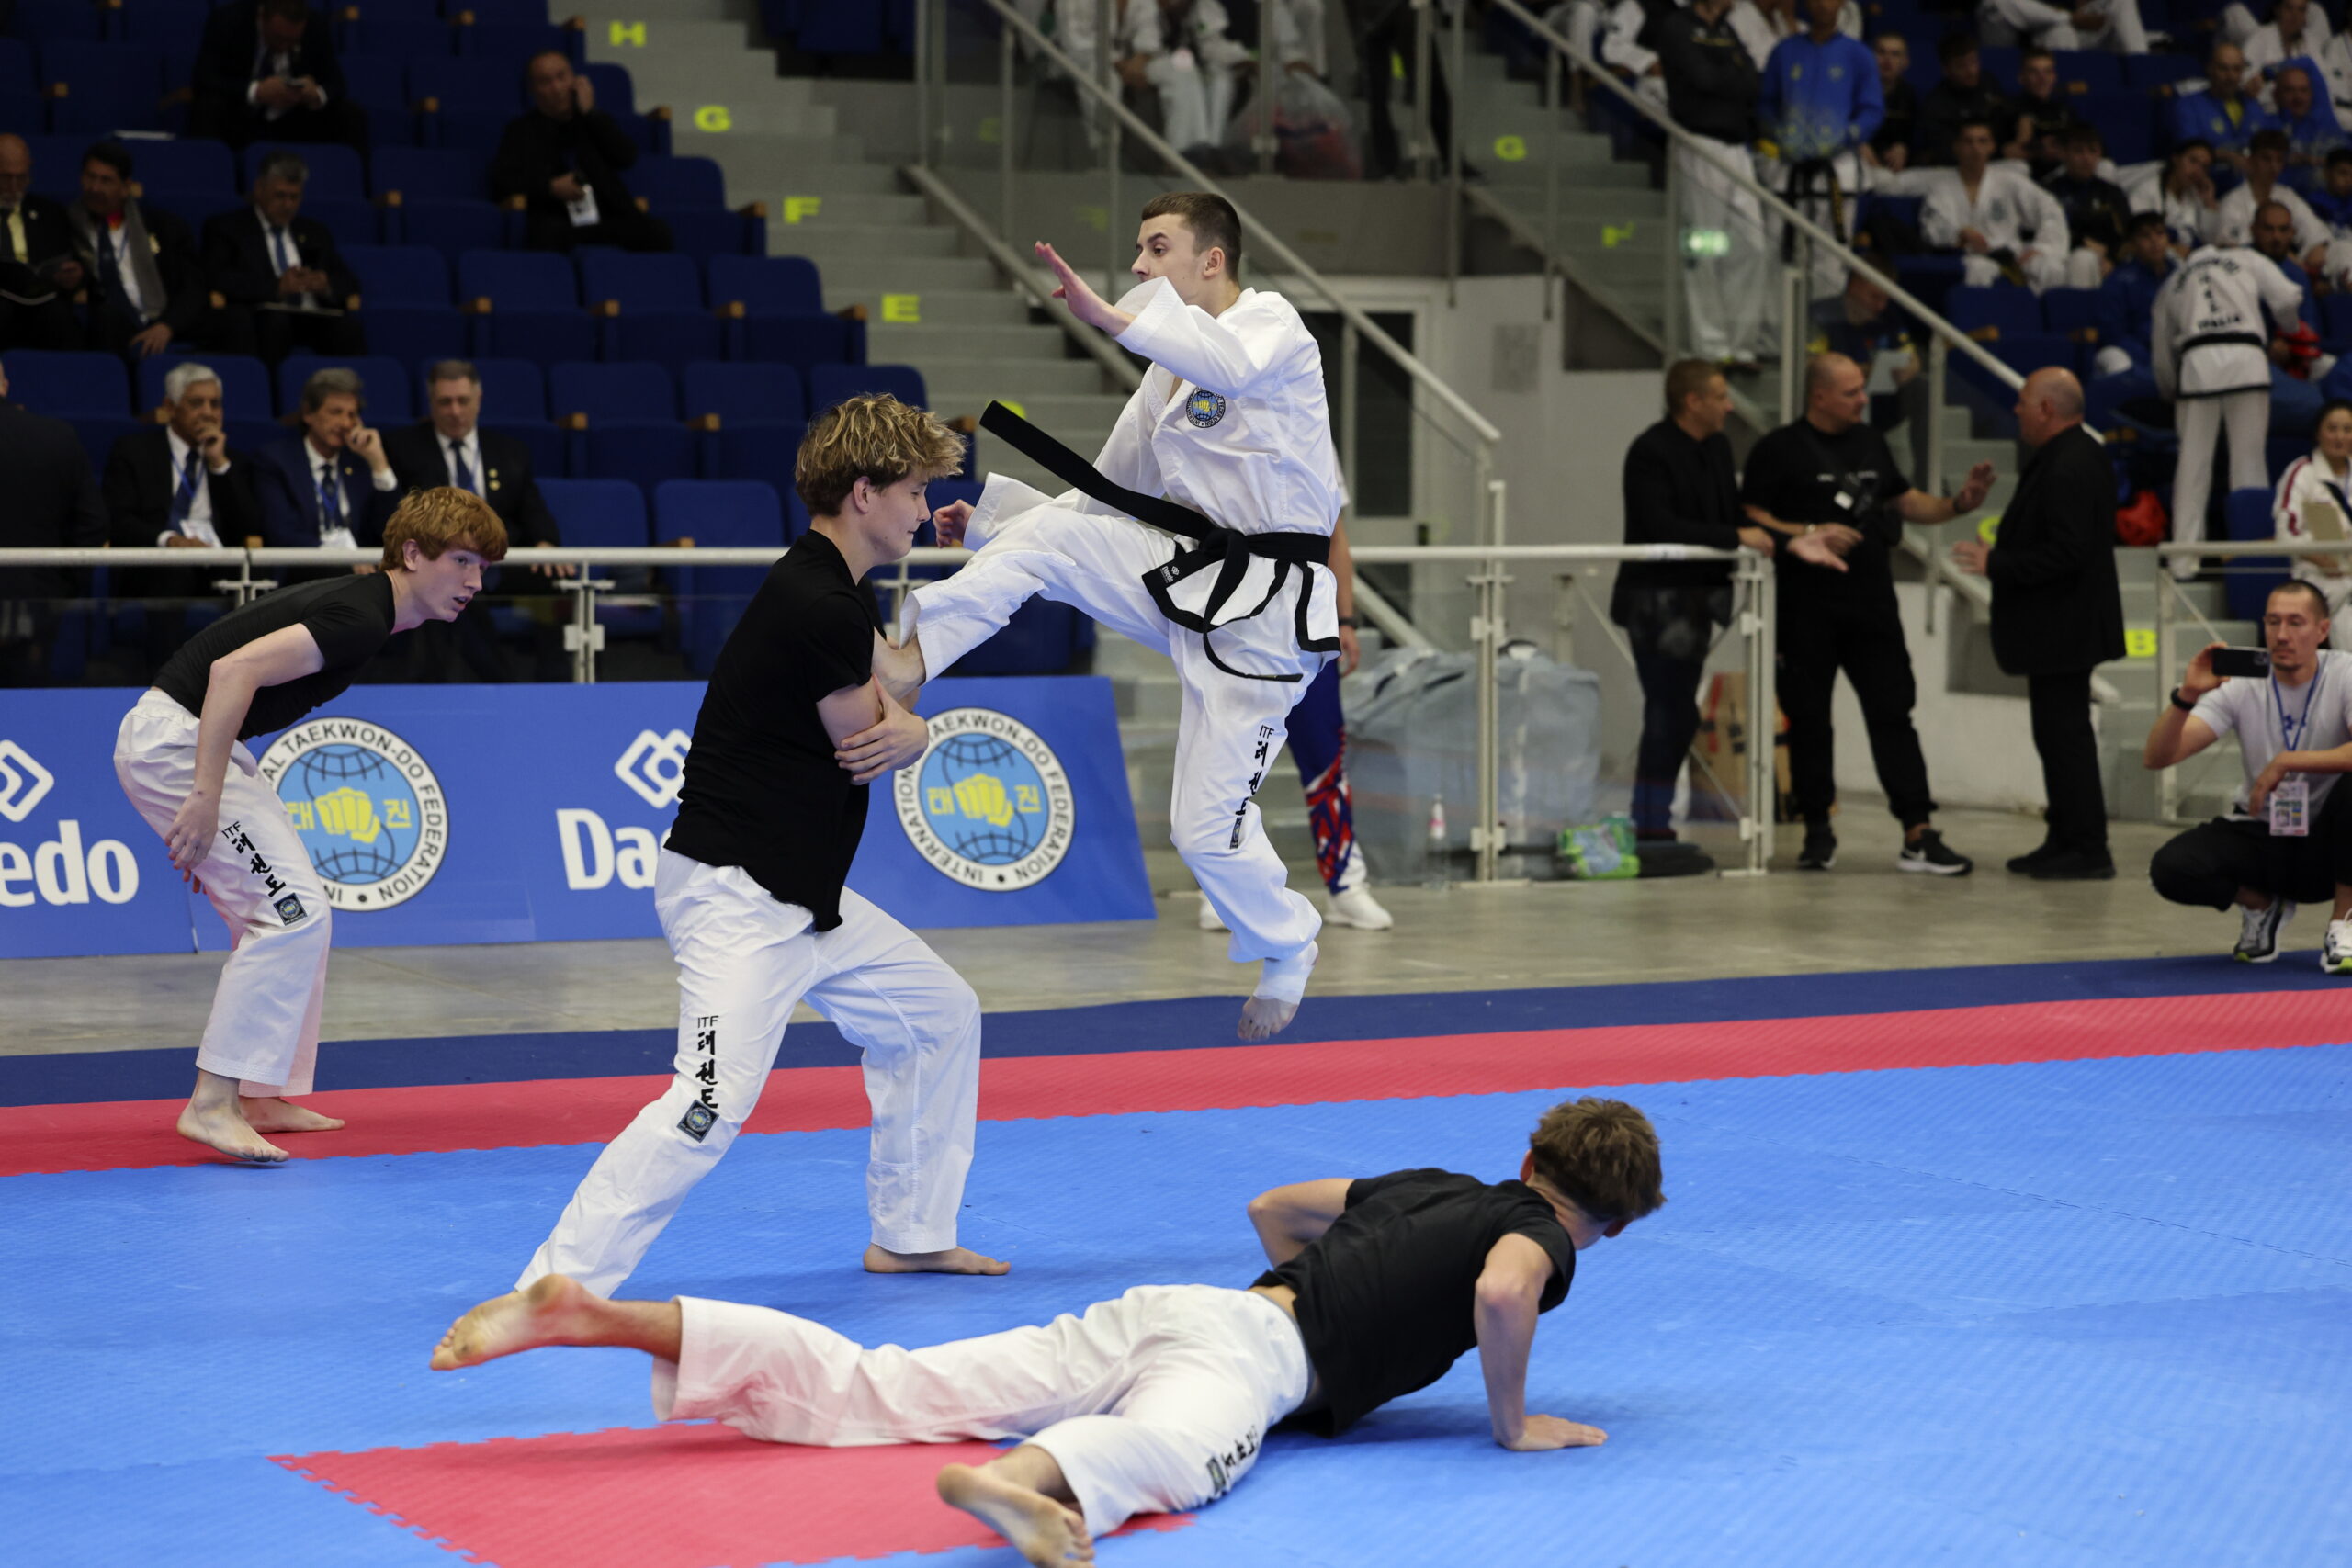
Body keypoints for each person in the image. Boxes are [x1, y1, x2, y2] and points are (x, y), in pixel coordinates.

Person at [434, 1096, 1667, 1568]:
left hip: (1190, 1307)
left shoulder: (1436, 1182)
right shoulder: (1545, 1237)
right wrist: (1512, 1422)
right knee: (1182, 1456)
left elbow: (1274, 1206)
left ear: (1529, 1156)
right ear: (1603, 1218)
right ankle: (1026, 1485)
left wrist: (1344, 1283)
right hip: (1254, 1357)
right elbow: (1504, 1292)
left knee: (884, 1380)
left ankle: (596, 1312)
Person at [514, 395, 1001, 1297]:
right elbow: (867, 741)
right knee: (705, 1104)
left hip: (800, 890)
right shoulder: (815, 600)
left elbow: (892, 690)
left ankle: (912, 1234)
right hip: (736, 894)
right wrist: (915, 729)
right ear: (864, 493)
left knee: (938, 1014)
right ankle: (556, 1286)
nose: (922, 508)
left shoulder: (832, 586)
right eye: (913, 490)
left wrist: (966, 623)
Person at [874, 194, 1339, 1043]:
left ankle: (1288, 942)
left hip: (1269, 613)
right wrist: (996, 527)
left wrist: (1115, 319)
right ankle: (913, 656)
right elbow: (1105, 497)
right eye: (1137, 251)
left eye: (1157, 248)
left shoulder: (1273, 328)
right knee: (1053, 539)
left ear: (1212, 260)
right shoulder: (1165, 377)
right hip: (1195, 584)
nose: (1138, 265)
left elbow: (1230, 367)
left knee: (1203, 836)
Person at [113, 489, 504, 1162]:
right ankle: (212, 1103)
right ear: (414, 554)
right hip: (175, 743)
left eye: (484, 567)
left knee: (298, 911)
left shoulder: (371, 610)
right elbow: (231, 672)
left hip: (196, 741)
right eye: (463, 561)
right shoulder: (361, 614)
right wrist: (204, 797)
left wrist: (223, 841)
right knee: (291, 913)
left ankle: (262, 1093)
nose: (475, 582)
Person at [1741, 352, 1996, 874]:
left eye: (1862, 389)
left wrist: (1957, 504)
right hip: (1805, 608)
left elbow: (1905, 501)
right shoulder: (1779, 449)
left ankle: (1918, 831)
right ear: (1819, 396)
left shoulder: (1871, 442)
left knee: (1893, 713)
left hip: (1872, 606)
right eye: (1851, 392)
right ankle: (1816, 830)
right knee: (1809, 718)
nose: (1863, 400)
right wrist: (1807, 533)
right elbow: (1751, 515)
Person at [1617, 360, 1846, 840]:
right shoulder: (1650, 451)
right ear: (1692, 402)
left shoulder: (1717, 448)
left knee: (1677, 710)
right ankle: (1650, 823)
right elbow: (1661, 525)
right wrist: (1738, 536)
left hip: (1698, 598)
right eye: (1720, 397)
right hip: (1657, 601)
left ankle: (1653, 821)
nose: (1729, 406)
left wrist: (1792, 539)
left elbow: (1734, 518)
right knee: (1669, 710)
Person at [1950, 368, 2123, 879]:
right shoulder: (2068, 454)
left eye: (2024, 402)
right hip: (2060, 627)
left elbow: (2068, 551)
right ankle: (2064, 836)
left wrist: (1997, 563)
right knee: (2054, 735)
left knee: (2065, 738)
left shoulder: (2070, 462)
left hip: (2065, 627)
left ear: (2047, 409)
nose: (2017, 410)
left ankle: (2087, 847)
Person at [1198, 516, 1396, 931]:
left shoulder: (1321, 469)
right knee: (1228, 758)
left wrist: (1345, 619)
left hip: (1309, 625)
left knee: (1325, 755)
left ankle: (1345, 885)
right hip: (1238, 624)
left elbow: (1335, 537)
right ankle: (1221, 889)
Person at [2143, 581, 2352, 969]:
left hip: (2333, 842)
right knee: (2171, 868)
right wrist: (2186, 697)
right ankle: (2262, 906)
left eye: (2295, 622)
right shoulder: (2242, 684)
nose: (2282, 635)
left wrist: (2287, 761)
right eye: (2273, 622)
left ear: (2322, 630)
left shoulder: (2344, 673)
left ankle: (2345, 924)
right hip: (2266, 833)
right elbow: (2157, 757)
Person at [383, 359, 570, 681]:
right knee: (457, 585)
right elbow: (394, 513)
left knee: (552, 583)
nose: (455, 411)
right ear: (431, 403)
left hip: (500, 560)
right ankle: (498, 683)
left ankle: (556, 686)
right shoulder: (403, 448)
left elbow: (532, 507)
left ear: (478, 400)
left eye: (463, 401)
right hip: (440, 564)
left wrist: (545, 542)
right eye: (445, 402)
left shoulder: (510, 451)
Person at [2154, 239, 2303, 579]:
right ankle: (2250, 558)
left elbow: (2161, 353)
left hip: (2197, 368)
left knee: (2192, 465)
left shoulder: (2173, 281)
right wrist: (2290, 326)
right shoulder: (2245, 258)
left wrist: (2169, 390)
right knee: (2249, 462)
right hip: (2248, 363)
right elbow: (2287, 297)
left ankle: (2183, 562)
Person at [102, 361, 261, 673]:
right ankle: (168, 679)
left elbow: (251, 527)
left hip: (215, 566)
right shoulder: (134, 451)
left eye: (215, 404)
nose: (208, 413)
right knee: (172, 572)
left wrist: (218, 464)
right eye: (196, 403)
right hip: (156, 567)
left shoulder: (234, 461)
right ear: (170, 407)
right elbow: (117, 519)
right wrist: (170, 540)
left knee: (255, 578)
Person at [1660, 0, 1767, 366]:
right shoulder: (1678, 25)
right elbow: (1701, 78)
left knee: (1753, 245)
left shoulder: (1725, 28)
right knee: (1704, 246)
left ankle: (1742, 343)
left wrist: (1727, 77)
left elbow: (1753, 81)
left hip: (1738, 147)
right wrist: (1731, 74)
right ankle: (1709, 344)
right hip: (1700, 143)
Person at [1757, 0, 1883, 296]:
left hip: (1836, 167)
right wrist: (1778, 132)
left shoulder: (1858, 55)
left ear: (1841, 4)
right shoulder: (1784, 52)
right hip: (1789, 166)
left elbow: (1872, 110)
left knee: (1830, 256)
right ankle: (1775, 323)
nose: (1823, 4)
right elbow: (1766, 103)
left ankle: (1823, 321)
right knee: (1779, 248)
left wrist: (1847, 134)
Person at [492, 51, 672, 254]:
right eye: (546, 82)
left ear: (575, 80)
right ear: (533, 90)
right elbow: (503, 181)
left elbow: (626, 157)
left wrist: (590, 113)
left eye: (562, 77)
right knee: (545, 233)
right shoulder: (520, 130)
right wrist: (550, 187)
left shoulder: (595, 121)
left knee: (656, 232)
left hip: (606, 217)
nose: (557, 88)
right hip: (557, 218)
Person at [0, 355, 107, 685]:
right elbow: (93, 525)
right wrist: (60, 586)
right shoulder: (56, 436)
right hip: (36, 603)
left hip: (36, 597)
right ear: (4, 385)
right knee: (25, 704)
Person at [202, 150, 366, 366]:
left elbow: (349, 281)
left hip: (311, 315)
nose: (288, 205)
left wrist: (324, 283)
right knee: (275, 322)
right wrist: (277, 287)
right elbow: (218, 278)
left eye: (294, 197)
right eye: (280, 196)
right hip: (261, 316)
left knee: (348, 327)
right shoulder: (228, 228)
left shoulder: (315, 232)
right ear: (259, 189)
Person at [66, 141, 207, 362]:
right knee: (104, 316)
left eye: (106, 180)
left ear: (126, 186)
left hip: (160, 317)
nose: (95, 188)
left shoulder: (165, 227)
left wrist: (167, 325)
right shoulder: (67, 225)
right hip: (108, 324)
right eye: (90, 177)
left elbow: (193, 288)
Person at [252, 367, 400, 557]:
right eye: (336, 412)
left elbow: (393, 532)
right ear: (308, 413)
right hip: (304, 567)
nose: (345, 423)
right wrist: (340, 559)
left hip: (361, 570)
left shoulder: (360, 463)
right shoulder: (276, 461)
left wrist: (379, 463)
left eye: (351, 414)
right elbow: (281, 533)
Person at [1921, 118, 2077, 292]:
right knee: (1978, 268)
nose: (1975, 147)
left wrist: (2043, 248)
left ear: (1992, 146)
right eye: (1968, 141)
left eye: (1982, 141)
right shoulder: (1942, 189)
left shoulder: (2010, 181)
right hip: (1969, 258)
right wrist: (1959, 233)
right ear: (1956, 147)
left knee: (2050, 268)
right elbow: (1932, 228)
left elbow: (2050, 209)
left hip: (2013, 255)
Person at [188, 0, 367, 151]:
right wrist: (256, 91)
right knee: (208, 107)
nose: (284, 47)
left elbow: (337, 84)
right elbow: (204, 78)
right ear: (262, 18)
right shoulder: (229, 20)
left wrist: (316, 94)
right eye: (278, 38)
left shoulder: (315, 25)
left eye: (292, 41)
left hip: (296, 118)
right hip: (241, 114)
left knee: (350, 114)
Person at [1810, 266, 1934, 479]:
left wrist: (1905, 371)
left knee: (1922, 388)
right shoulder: (1824, 314)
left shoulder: (1888, 315)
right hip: (1835, 402)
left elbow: (1912, 359)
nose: (1880, 305)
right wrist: (1863, 371)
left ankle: (1927, 476)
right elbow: (1811, 365)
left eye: (1885, 298)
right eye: (1874, 296)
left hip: (1879, 401)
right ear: (1854, 286)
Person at [1115, 0, 1252, 158]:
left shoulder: (1201, 6)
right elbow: (1146, 45)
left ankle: (1211, 148)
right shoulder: (1146, 5)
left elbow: (1212, 45)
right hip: (1143, 60)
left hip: (1182, 61)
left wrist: (1244, 58)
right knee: (1183, 70)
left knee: (1220, 79)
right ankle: (1183, 152)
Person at [2270, 397, 2352, 648]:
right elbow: (2284, 535)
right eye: (2332, 429)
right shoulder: (2302, 472)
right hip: (2317, 574)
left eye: (2347, 429)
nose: (2340, 437)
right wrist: (2320, 557)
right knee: (2343, 600)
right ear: (2318, 433)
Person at [1347, 0, 1458, 179]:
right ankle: (1388, 165)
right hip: (1387, 13)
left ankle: (1449, 160)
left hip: (1385, 14)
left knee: (1426, 82)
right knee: (1381, 92)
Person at [0, 135, 81, 353]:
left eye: (21, 178)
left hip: (39, 300)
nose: (13, 187)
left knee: (58, 314)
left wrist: (70, 276)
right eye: (5, 177)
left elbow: (64, 259)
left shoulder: (50, 213)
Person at [2207, 130, 2330, 256]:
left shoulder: (2287, 196)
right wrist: (2287, 256)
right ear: (2251, 160)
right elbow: (2229, 245)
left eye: (2279, 160)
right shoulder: (2233, 202)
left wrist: (2318, 248)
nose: (2274, 166)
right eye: (2266, 159)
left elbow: (2315, 232)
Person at [2041, 124, 2133, 283]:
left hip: (2105, 262)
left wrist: (2112, 260)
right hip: (2060, 258)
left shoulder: (2111, 193)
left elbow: (2127, 236)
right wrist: (2081, 242)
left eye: (2092, 151)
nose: (2087, 158)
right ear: (2063, 153)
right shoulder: (2048, 192)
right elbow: (2043, 231)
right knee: (2082, 259)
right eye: (2078, 151)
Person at [2167, 41, 2278, 173]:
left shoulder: (2253, 105)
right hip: (2206, 179)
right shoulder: (2188, 106)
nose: (2230, 77)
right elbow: (2189, 152)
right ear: (2210, 69)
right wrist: (2228, 156)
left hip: (2250, 181)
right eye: (2223, 69)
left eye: (2236, 69)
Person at [1913, 31, 2017, 169]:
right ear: (1946, 69)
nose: (1971, 71)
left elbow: (2006, 121)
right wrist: (1998, 151)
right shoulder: (1936, 104)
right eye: (1961, 66)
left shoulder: (1989, 83)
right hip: (1955, 169)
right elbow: (1946, 151)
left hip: (1996, 163)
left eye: (1973, 62)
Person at [2138, 138, 2222, 255]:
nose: (2197, 171)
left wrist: (2209, 201)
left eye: (2204, 167)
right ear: (2176, 158)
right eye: (2193, 161)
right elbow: (2140, 239)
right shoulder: (2146, 191)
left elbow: (2210, 240)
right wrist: (2175, 250)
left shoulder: (2197, 195)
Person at [2007, 47, 2084, 175]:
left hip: (2062, 170)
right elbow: (2003, 152)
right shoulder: (2010, 109)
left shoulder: (2064, 110)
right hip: (2025, 174)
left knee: (2104, 166)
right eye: (2034, 72)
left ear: (2054, 76)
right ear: (2021, 77)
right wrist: (2037, 150)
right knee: (2019, 167)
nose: (2042, 79)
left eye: (2047, 72)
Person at [1979, 0, 2147, 52]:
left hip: (2079, 34)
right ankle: (2064, 88)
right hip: (2032, 42)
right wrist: (2070, 18)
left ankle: (2142, 64)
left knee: (2122, 1)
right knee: (2060, 31)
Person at [2267, 62, 2346, 172]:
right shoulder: (2268, 129)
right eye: (2289, 90)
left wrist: (2264, 74)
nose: (2298, 97)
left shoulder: (2324, 116)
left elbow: (2309, 63)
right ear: (2276, 95)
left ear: (2311, 94)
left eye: (2303, 90)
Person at [1865, 33, 1917, 172]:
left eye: (1895, 54)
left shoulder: (1909, 95)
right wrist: (1857, 144)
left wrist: (1903, 146)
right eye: (1881, 52)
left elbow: (1914, 134)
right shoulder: (1854, 91)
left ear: (1905, 62)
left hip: (1895, 168)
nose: (1887, 60)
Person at [2244, 0, 2332, 78]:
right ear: (2278, 10)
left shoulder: (2311, 41)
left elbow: (2323, 76)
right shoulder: (2260, 37)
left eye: (2301, 10)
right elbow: (2246, 76)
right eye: (2289, 8)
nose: (2295, 16)